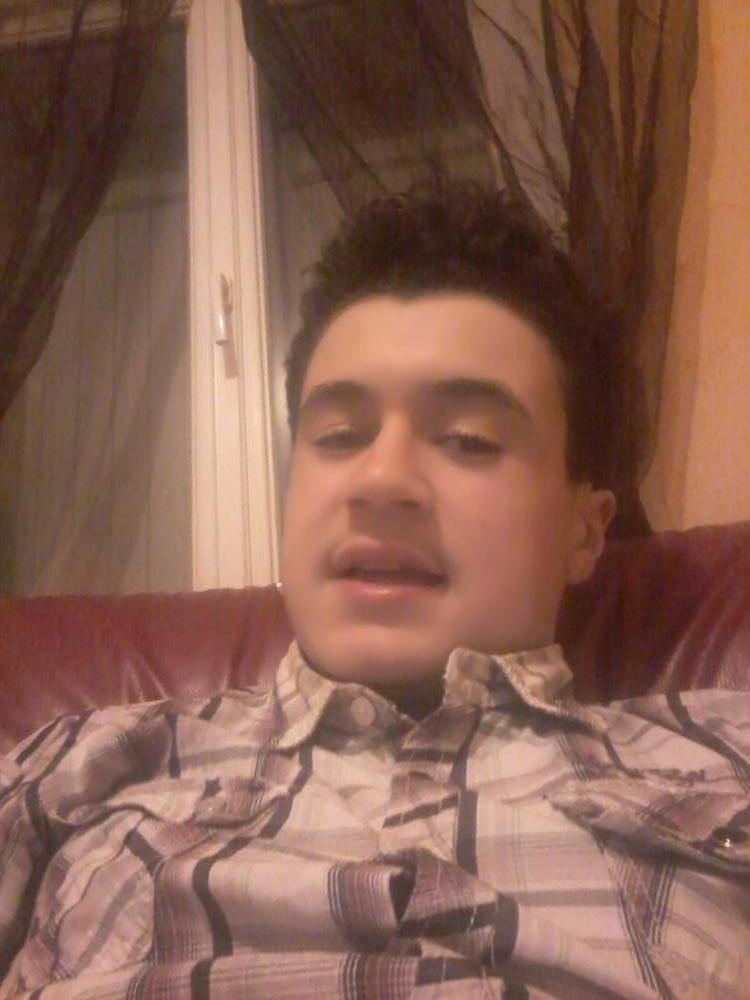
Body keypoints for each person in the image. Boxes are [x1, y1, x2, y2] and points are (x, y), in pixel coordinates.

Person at [0, 183, 747, 999]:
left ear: (586, 530)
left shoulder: (726, 753)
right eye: (339, 436)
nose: (381, 479)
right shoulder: (90, 761)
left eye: (467, 439)